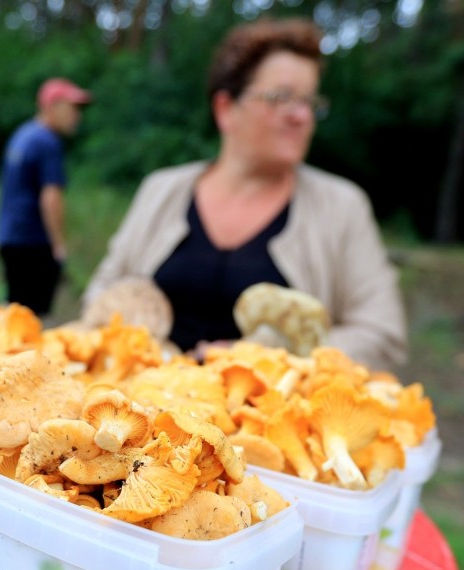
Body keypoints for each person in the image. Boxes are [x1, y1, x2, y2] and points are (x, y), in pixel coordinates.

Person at [83, 18, 407, 371]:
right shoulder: (161, 190)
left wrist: (269, 361)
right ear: (225, 109)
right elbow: (101, 293)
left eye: (309, 101)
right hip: (143, 410)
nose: (301, 116)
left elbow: (382, 335)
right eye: (281, 98)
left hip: (274, 419)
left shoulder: (342, 207)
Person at [0, 77, 91, 318]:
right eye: (72, 108)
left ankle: (0, 351)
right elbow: (51, 196)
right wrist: (58, 244)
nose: (77, 116)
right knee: (31, 319)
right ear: (51, 106)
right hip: (33, 242)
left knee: (14, 310)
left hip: (10, 236)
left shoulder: (23, 134)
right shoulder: (47, 142)